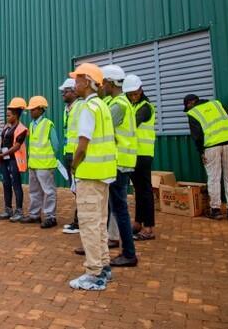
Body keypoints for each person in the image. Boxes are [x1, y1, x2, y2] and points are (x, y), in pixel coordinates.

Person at [68, 63, 117, 291]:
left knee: (89, 225)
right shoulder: (103, 106)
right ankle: (104, 267)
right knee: (99, 224)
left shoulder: (88, 108)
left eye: (77, 80)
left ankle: (94, 273)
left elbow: (83, 145)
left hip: (89, 175)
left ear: (87, 82)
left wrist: (74, 166)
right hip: (103, 175)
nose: (74, 84)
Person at [101, 65, 138, 267]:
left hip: (118, 163)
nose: (102, 86)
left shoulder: (118, 106)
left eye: (104, 83)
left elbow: (102, 131)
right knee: (117, 208)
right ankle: (123, 248)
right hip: (122, 162)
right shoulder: (121, 102)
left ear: (111, 83)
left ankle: (129, 253)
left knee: (120, 210)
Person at [184, 93, 228, 221]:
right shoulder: (217, 104)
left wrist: (201, 152)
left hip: (211, 146)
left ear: (189, 103)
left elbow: (197, 136)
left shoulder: (193, 112)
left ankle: (216, 211)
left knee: (214, 178)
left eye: (187, 107)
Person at [124, 74, 157, 240]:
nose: (133, 96)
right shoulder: (133, 105)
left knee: (145, 191)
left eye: (135, 93)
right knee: (138, 190)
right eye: (130, 94)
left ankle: (148, 227)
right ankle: (138, 223)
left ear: (141, 90)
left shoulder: (145, 107)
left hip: (143, 154)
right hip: (133, 154)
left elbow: (132, 124)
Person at [20, 95, 59, 229]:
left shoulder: (48, 124)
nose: (31, 112)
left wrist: (48, 158)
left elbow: (55, 145)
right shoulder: (31, 125)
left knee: (48, 191)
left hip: (45, 165)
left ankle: (50, 217)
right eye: (30, 110)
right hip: (33, 164)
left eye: (33, 109)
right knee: (34, 191)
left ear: (41, 109)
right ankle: (34, 215)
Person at [0, 98, 28, 221]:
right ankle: (8, 209)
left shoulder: (22, 129)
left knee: (16, 184)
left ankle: (19, 211)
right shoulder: (7, 126)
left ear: (16, 115)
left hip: (14, 160)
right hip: (4, 160)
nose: (7, 117)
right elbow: (1, 140)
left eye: (9, 115)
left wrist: (3, 154)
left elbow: (17, 146)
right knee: (6, 184)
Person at [60, 78, 81, 234]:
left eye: (65, 91)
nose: (63, 94)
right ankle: (78, 220)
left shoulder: (80, 107)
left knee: (80, 190)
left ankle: (79, 222)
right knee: (75, 189)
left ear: (74, 92)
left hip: (76, 154)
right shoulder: (67, 109)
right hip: (68, 153)